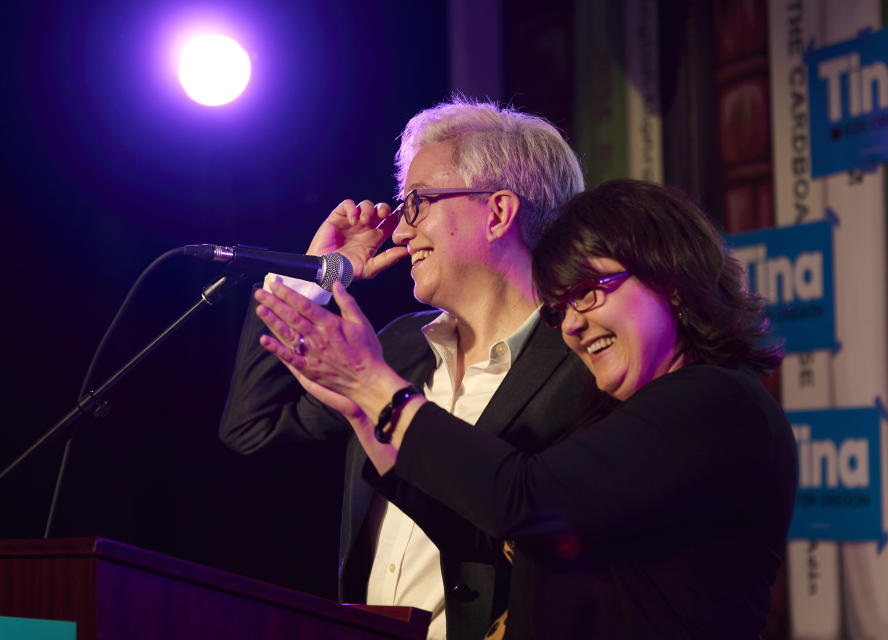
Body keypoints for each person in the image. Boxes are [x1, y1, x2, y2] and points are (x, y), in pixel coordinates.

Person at [253, 179, 799, 638]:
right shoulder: (636, 414)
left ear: (670, 279)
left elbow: (525, 497)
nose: (573, 324)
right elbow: (494, 537)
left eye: (588, 290)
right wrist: (360, 411)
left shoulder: (720, 402)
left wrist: (376, 386)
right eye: (560, 308)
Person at [218, 98, 615, 640]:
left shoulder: (586, 366)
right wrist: (317, 276)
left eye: (418, 203)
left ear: (498, 212)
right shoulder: (401, 345)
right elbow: (254, 429)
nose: (401, 233)